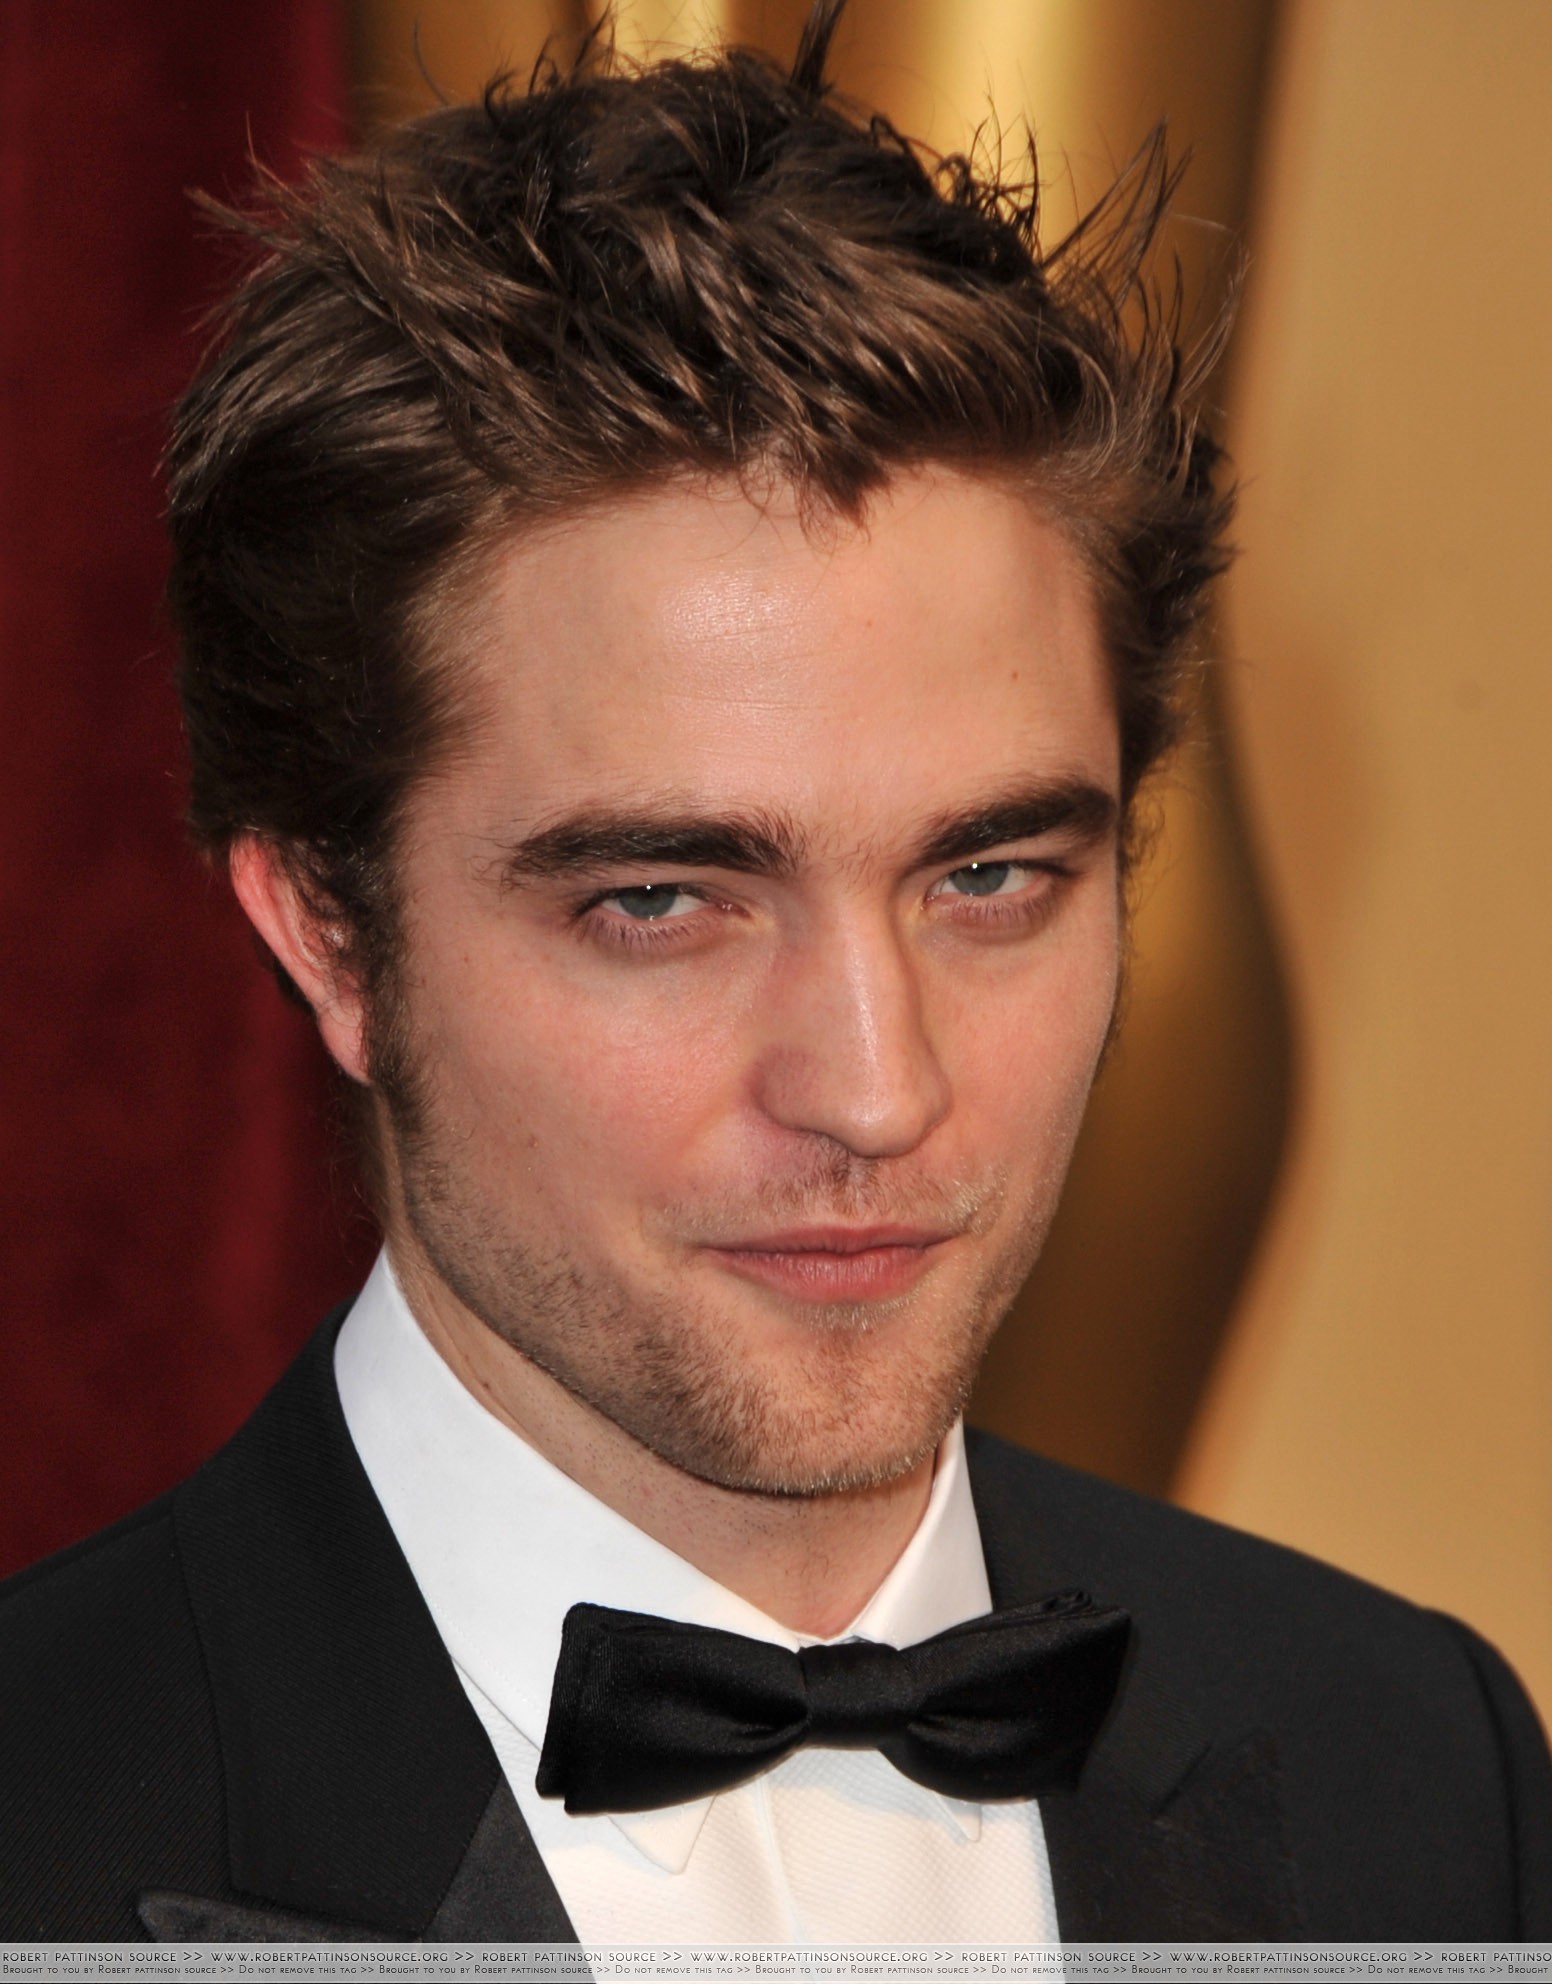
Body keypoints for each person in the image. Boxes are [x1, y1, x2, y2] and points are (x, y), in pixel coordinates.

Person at [2, 0, 1548, 1942]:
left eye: (988, 874)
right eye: (664, 899)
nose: (879, 1090)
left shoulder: (1419, 1765)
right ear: (328, 928)